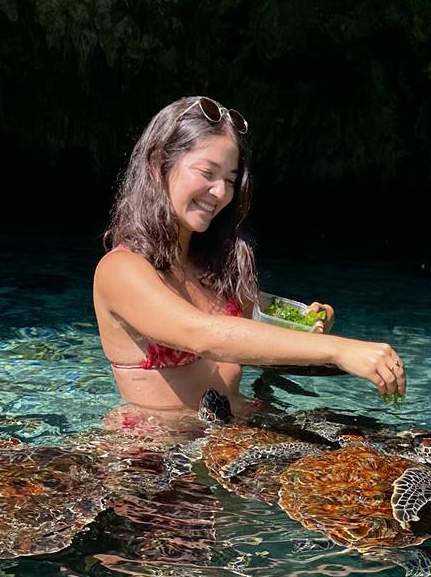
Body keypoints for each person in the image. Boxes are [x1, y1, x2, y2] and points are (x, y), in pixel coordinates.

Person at [93, 95, 406, 419]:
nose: (219, 193)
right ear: (158, 165)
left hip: (235, 435)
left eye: (229, 180)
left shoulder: (212, 271)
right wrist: (340, 349)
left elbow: (255, 327)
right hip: (156, 456)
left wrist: (308, 322)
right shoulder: (121, 270)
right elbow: (203, 335)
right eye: (207, 172)